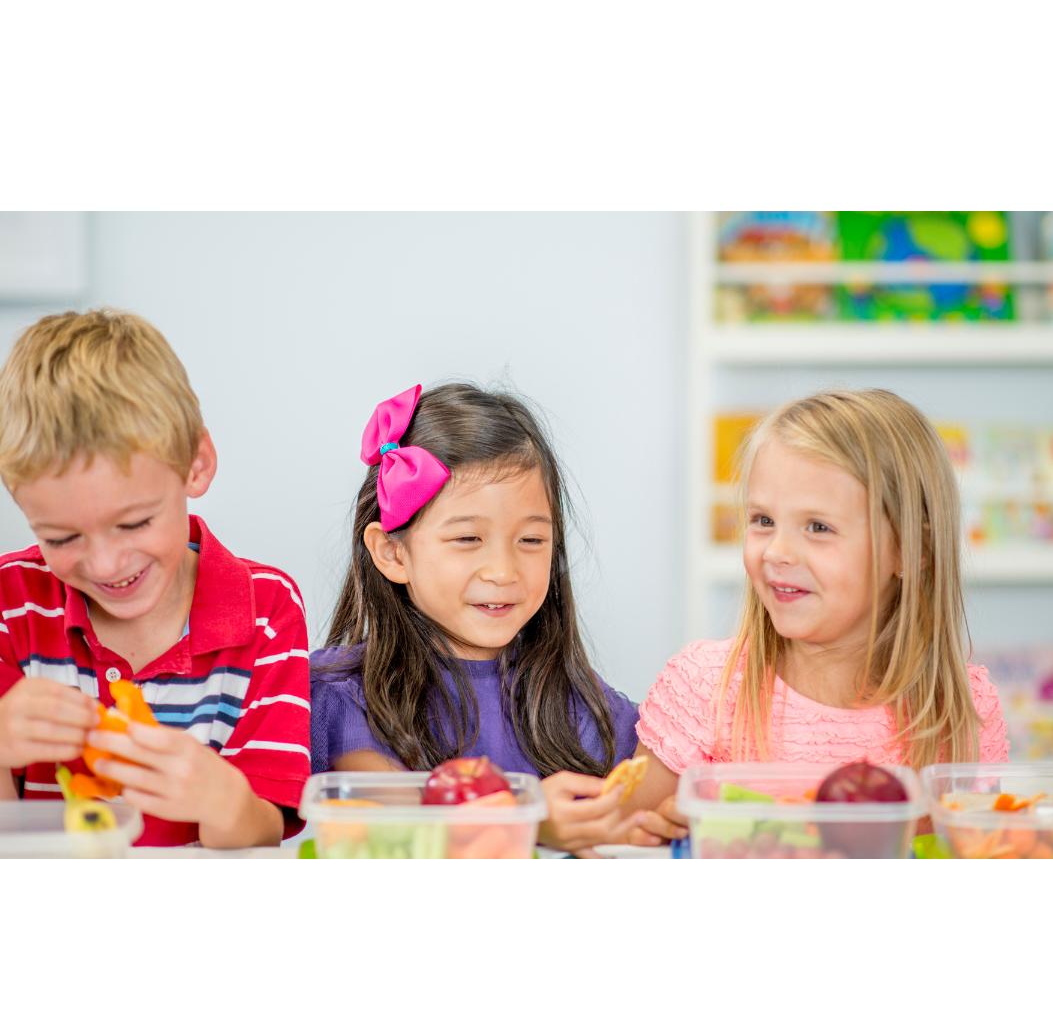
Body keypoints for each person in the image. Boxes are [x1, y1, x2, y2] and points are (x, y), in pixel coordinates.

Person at [621, 388, 1009, 845]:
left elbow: (981, 855)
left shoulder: (960, 708)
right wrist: (661, 832)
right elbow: (618, 841)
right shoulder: (704, 686)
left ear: (911, 550)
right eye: (763, 520)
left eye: (818, 527)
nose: (777, 551)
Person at [0, 310, 310, 848]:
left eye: (134, 523)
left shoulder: (267, 609)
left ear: (196, 464)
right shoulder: (13, 603)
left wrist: (222, 798)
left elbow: (265, 829)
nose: (104, 564)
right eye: (61, 538)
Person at [310, 383, 643, 852]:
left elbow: (649, 811)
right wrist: (528, 822)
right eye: (468, 539)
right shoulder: (340, 700)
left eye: (531, 540)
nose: (504, 571)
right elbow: (394, 829)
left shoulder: (581, 706)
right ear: (392, 552)